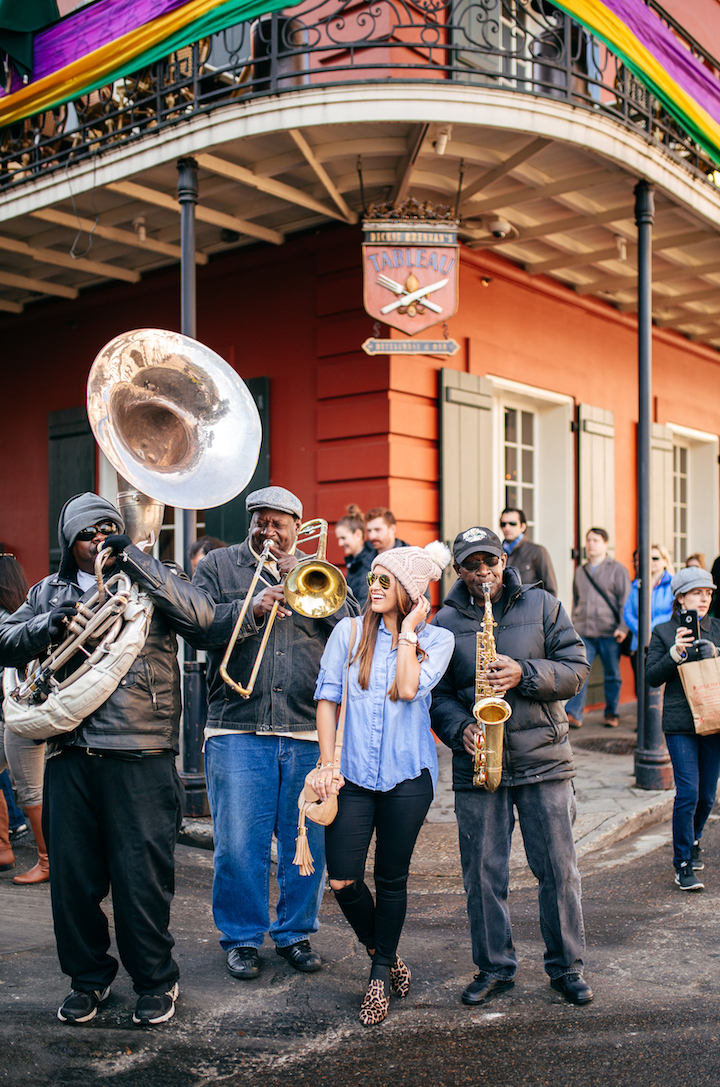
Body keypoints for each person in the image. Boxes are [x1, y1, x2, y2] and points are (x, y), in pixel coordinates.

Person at [0, 493, 215, 1027]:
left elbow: (204, 621)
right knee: (73, 883)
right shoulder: (47, 591)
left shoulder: (152, 573)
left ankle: (155, 981)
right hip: (70, 753)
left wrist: (140, 562)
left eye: (108, 530)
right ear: (68, 543)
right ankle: (88, 979)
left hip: (141, 751)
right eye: (88, 534)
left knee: (141, 879)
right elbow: (4, 639)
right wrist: (45, 626)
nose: (99, 541)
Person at [188, 487, 360, 981]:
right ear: (250, 522)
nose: (269, 531)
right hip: (237, 725)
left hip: (308, 728)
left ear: (296, 526)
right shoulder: (218, 566)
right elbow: (197, 627)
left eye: (279, 523)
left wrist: (301, 580)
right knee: (239, 844)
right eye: (261, 521)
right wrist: (253, 608)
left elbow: (351, 630)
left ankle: (294, 933)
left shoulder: (318, 568)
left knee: (306, 841)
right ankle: (242, 938)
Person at [431, 526, 592, 1008]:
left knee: (559, 871)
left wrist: (525, 673)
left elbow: (577, 668)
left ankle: (566, 967)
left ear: (505, 560)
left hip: (544, 759)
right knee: (482, 876)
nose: (484, 572)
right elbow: (435, 697)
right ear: (459, 570)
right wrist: (461, 730)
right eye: (472, 565)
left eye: (491, 561)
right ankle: (494, 968)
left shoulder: (543, 606)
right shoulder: (442, 620)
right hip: (479, 762)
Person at [312, 542, 454, 1024]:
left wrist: (409, 631)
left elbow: (410, 688)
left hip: (408, 778)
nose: (373, 586)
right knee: (342, 877)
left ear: (410, 592)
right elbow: (328, 700)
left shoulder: (437, 641)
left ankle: (376, 976)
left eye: (384, 579)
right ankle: (387, 954)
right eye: (371, 577)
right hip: (350, 776)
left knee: (391, 879)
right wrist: (329, 762)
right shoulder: (347, 633)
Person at [646, 567, 720, 891]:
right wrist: (675, 654)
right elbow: (651, 677)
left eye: (708, 593)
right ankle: (683, 863)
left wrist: (716, 655)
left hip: (714, 721)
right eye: (696, 593)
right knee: (688, 793)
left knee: (706, 796)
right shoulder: (664, 632)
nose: (703, 598)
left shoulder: (717, 628)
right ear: (680, 598)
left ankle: (695, 837)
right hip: (680, 723)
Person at [0, 552, 49, 883]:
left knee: (33, 792)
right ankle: (3, 848)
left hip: (16, 714)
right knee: (33, 789)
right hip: (20, 711)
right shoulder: (27, 610)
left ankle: (48, 862)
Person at [565, 527, 631, 729]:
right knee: (580, 672)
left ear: (605, 544)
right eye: (588, 540)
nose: (590, 544)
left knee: (612, 675)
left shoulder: (617, 569)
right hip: (585, 632)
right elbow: (577, 601)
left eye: (595, 540)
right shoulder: (580, 571)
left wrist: (623, 627)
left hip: (610, 632)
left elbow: (625, 601)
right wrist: (574, 624)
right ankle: (574, 713)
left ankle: (612, 712)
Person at [623, 543, 674, 659]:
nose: (651, 561)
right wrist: (641, 630)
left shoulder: (673, 584)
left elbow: (674, 611)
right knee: (639, 676)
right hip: (639, 642)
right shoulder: (636, 585)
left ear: (665, 561)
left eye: (655, 558)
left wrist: (651, 628)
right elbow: (627, 612)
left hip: (664, 642)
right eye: (647, 558)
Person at [499, 508, 557, 595]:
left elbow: (550, 590)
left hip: (530, 606)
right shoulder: (498, 552)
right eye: (503, 524)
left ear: (523, 526)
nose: (507, 528)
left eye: (512, 524)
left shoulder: (537, 551)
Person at [335, 504, 374, 608]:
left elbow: (364, 604)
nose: (340, 543)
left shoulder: (367, 564)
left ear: (358, 535)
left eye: (343, 538)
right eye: (338, 538)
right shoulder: (354, 563)